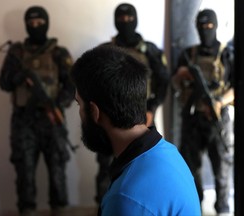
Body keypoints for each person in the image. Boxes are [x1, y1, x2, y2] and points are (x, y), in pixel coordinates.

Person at [71, 45, 201, 216]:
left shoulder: (125, 199)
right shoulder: (168, 151)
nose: (80, 113)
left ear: (95, 112)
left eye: (79, 104)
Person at [0, 6, 75, 216]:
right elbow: (3, 83)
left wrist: (57, 103)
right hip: (23, 121)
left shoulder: (60, 53)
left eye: (40, 23)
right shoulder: (16, 53)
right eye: (31, 23)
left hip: (52, 118)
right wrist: (20, 77)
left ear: (47, 23)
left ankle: (59, 210)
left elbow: (72, 85)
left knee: (58, 173)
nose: (35, 27)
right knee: (25, 174)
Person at [95, 2, 170, 204]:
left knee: (148, 164)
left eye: (129, 19)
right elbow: (94, 84)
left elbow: (164, 81)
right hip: (111, 120)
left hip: (143, 118)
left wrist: (152, 108)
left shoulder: (151, 51)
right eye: (121, 19)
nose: (125, 23)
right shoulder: (105, 51)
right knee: (107, 167)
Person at [171, 9, 234, 215]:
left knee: (222, 171)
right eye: (202, 26)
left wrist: (219, 101)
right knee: (190, 168)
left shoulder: (226, 54)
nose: (206, 30)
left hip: (217, 117)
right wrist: (181, 75)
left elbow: (236, 87)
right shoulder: (188, 55)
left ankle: (223, 208)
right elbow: (174, 84)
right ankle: (194, 207)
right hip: (193, 117)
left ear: (215, 26)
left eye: (210, 26)